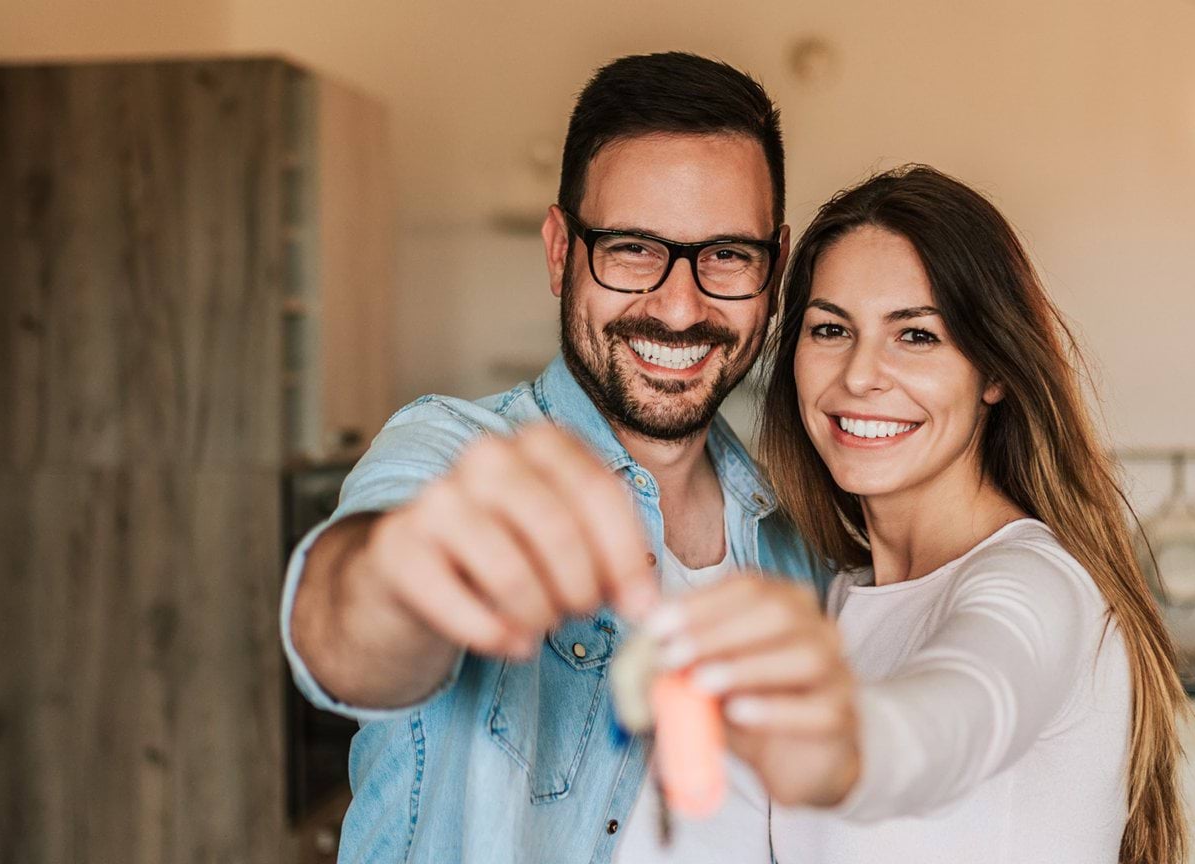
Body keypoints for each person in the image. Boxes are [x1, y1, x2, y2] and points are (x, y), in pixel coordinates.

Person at [281, 52, 823, 863]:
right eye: (633, 248)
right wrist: (407, 569)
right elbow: (347, 635)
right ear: (561, 250)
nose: (681, 307)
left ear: (773, 268)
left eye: (727, 255)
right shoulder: (452, 452)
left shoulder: (796, 543)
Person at [647, 165, 1188, 863]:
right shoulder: (836, 603)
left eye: (917, 336)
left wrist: (846, 746)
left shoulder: (1038, 583)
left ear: (995, 372)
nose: (860, 375)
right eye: (831, 329)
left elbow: (961, 710)